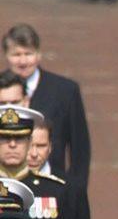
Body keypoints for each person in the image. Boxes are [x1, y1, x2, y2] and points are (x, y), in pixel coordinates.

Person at [2, 22, 91, 189]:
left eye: (28, 54)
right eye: (16, 54)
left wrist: (77, 192)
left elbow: (80, 149)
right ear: (6, 55)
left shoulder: (65, 91)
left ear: (38, 54)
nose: (22, 61)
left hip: (50, 186)